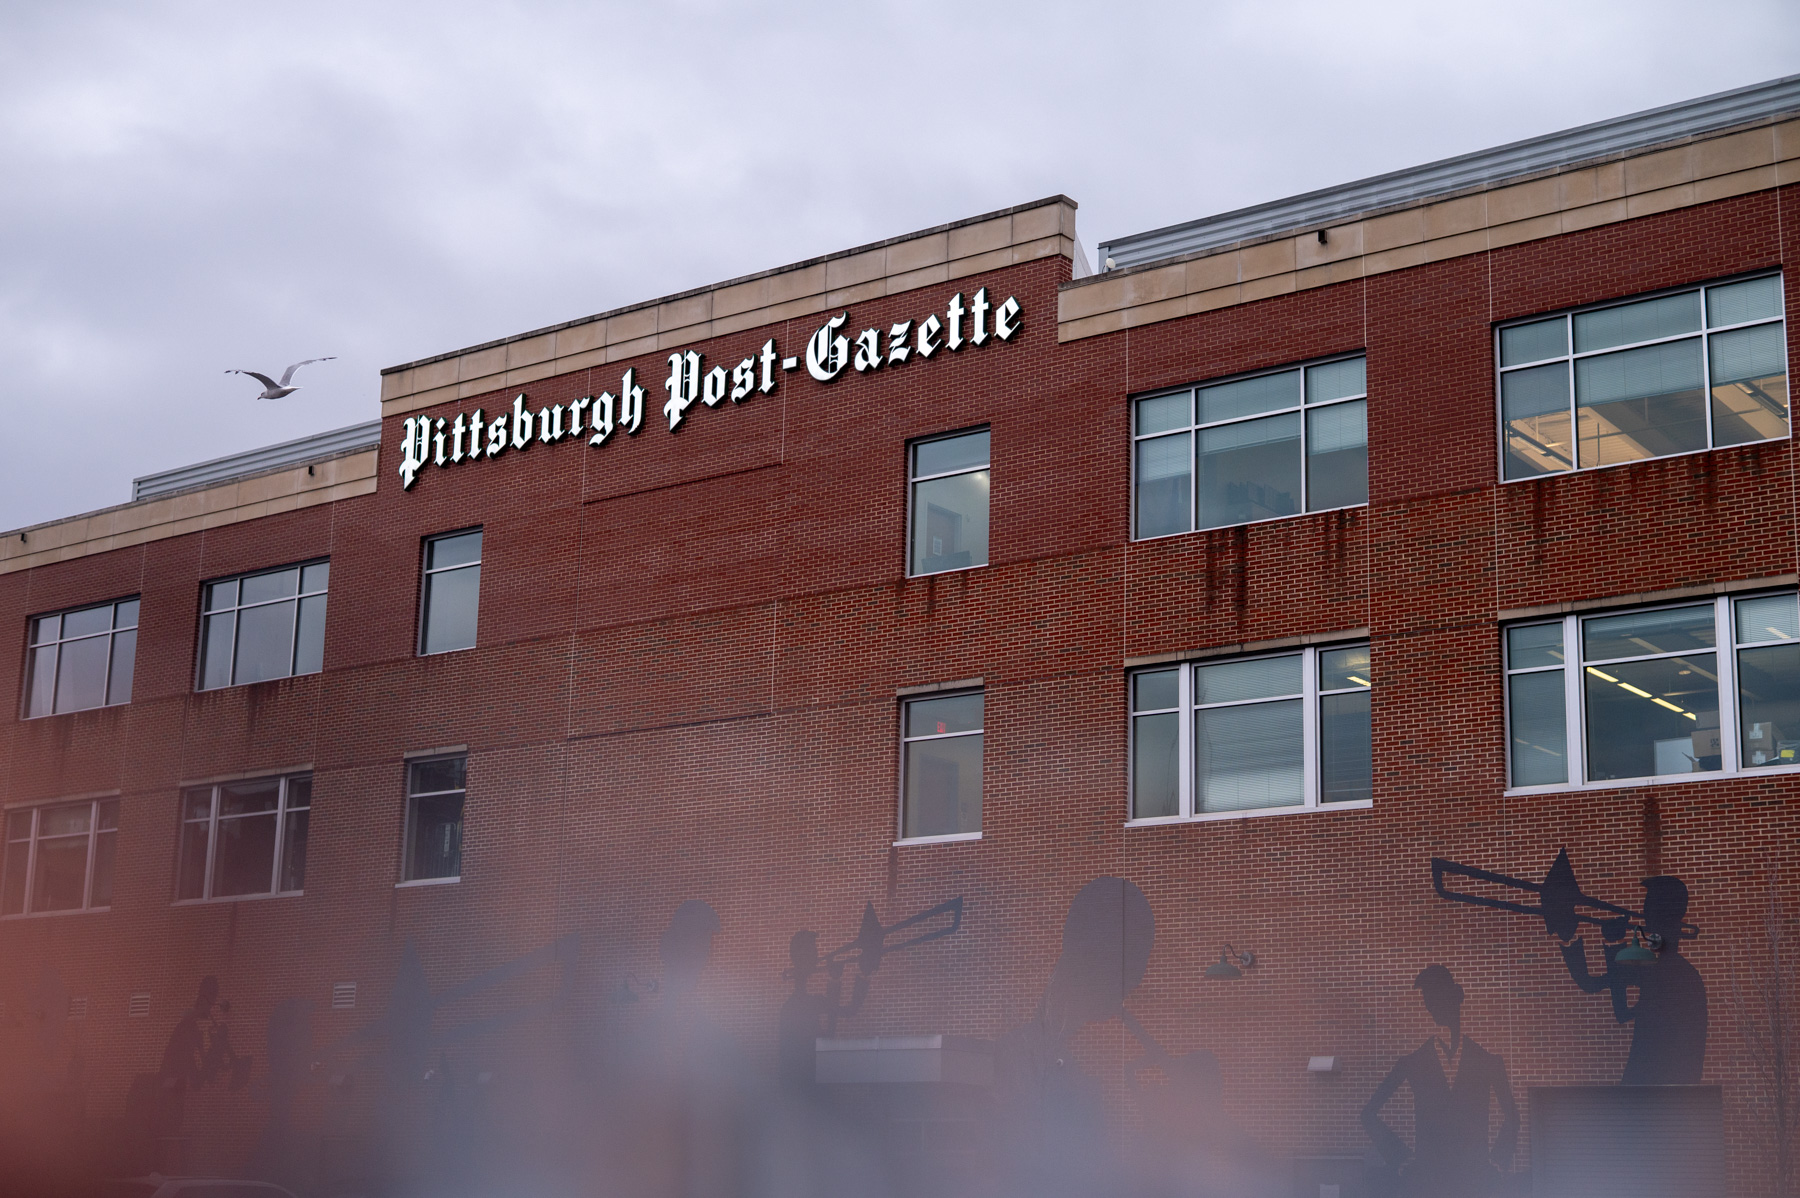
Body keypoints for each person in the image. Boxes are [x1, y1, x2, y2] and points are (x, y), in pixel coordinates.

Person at [1362, 965, 1518, 1198]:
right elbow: (1368, 1114)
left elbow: (1513, 1116)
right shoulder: (1411, 1063)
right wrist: (1400, 1158)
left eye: (1438, 996)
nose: (1432, 1005)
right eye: (1428, 999)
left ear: (1457, 996)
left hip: (1475, 1182)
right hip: (1427, 1183)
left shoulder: (1489, 1062)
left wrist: (1497, 1162)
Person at [1558, 875, 1707, 1084]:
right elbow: (1603, 990)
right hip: (1655, 1089)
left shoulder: (1670, 972)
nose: (1645, 915)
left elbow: (1617, 1006)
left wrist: (1615, 944)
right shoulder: (1673, 971)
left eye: (1649, 908)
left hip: (1656, 1089)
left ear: (1663, 911)